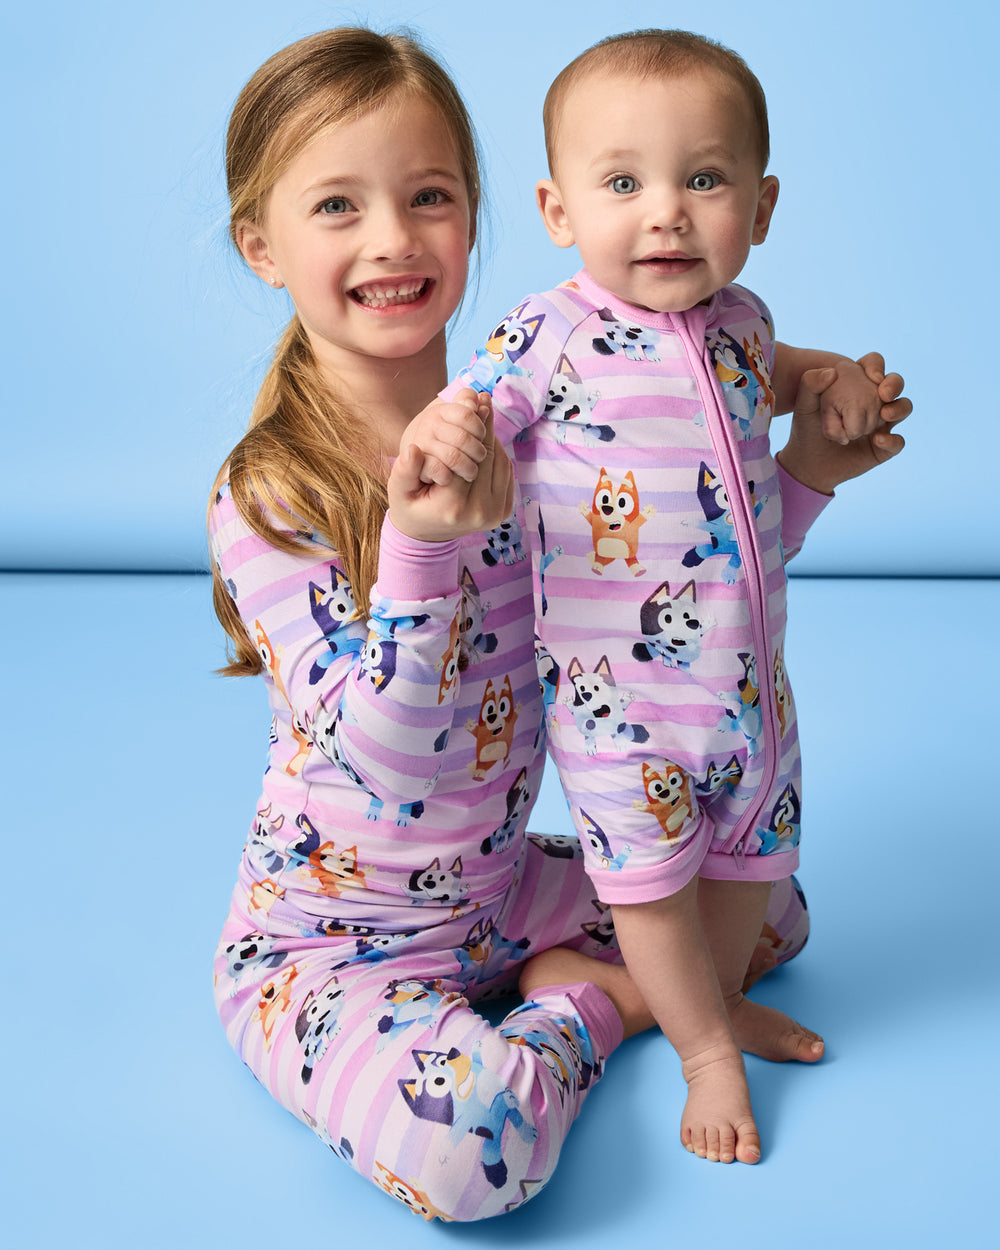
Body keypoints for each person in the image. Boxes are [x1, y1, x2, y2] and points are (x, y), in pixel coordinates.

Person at [209, 26, 905, 1222]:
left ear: (479, 217)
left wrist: (810, 469)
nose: (391, 239)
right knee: (468, 1149)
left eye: (427, 196)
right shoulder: (270, 495)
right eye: (337, 206)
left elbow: (675, 604)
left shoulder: (547, 420)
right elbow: (376, 750)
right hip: (336, 942)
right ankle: (594, 1000)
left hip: (496, 893)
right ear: (263, 247)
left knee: (767, 911)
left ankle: (602, 966)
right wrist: (424, 546)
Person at [421, 28, 911, 1169]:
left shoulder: (743, 323)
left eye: (703, 178)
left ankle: (718, 998)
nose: (666, 214)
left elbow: (788, 369)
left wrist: (834, 385)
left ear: (762, 200)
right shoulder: (544, 335)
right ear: (557, 209)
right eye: (623, 182)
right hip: (617, 700)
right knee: (647, 882)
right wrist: (451, 437)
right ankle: (701, 1051)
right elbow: (476, 408)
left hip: (750, 691)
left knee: (755, 860)